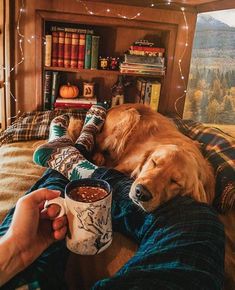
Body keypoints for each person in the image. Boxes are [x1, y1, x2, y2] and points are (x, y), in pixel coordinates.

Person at [0, 105, 225, 290]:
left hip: (18, 268)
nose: (145, 185)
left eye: (174, 182)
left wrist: (15, 246)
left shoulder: (197, 186)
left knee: (52, 192)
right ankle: (76, 150)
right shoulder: (151, 157)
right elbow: (124, 167)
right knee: (201, 222)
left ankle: (72, 151)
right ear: (148, 159)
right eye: (153, 164)